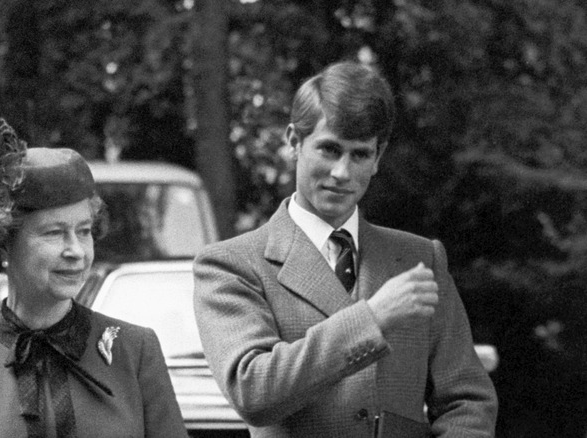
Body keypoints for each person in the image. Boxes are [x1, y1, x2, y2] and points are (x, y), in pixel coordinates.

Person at [193, 61, 498, 437]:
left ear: (378, 158)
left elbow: (467, 401)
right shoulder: (233, 264)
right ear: (293, 142)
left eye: (359, 154)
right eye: (329, 149)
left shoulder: (421, 259)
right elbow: (253, 391)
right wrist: (371, 319)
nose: (342, 172)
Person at [0, 120, 188, 438]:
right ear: (5, 241)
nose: (76, 251)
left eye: (83, 231)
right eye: (54, 233)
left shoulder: (134, 351)